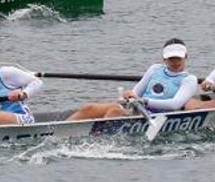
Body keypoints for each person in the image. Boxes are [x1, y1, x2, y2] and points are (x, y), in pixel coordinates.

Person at [68, 39, 199, 121]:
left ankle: (98, 142)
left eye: (178, 58)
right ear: (164, 58)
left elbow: (174, 104)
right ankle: (54, 134)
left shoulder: (189, 79)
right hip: (139, 110)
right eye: (171, 58)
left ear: (186, 56)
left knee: (115, 111)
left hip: (159, 116)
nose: (175, 62)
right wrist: (129, 96)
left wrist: (144, 101)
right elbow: (136, 92)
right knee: (89, 108)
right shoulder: (155, 69)